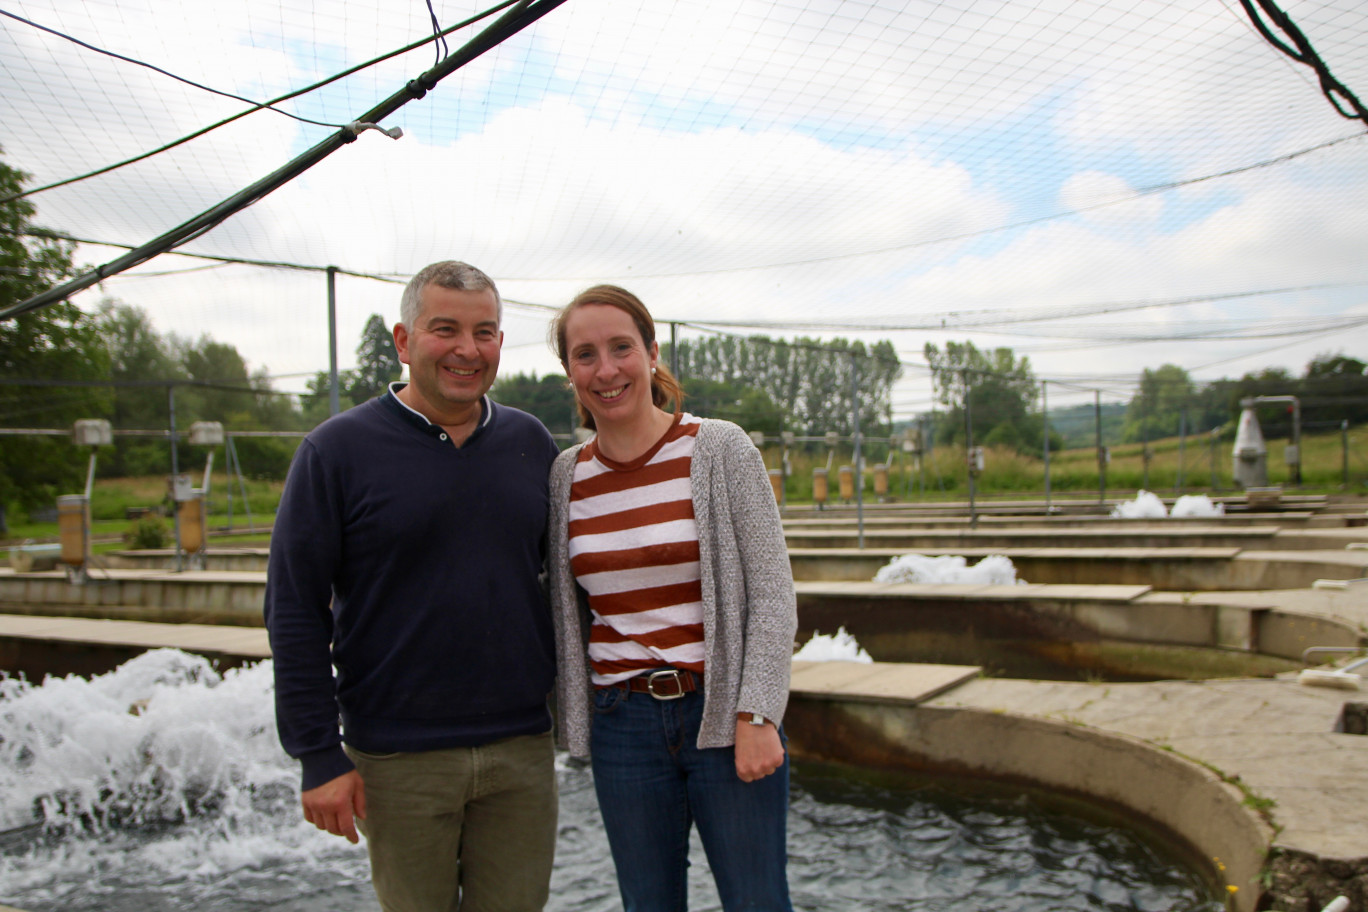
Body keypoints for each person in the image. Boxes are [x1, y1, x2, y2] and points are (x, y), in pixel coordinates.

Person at [263, 260, 561, 912]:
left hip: (521, 749)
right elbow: (294, 609)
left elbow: (567, 581)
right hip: (399, 760)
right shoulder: (336, 451)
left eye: (485, 332)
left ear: (500, 344)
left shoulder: (528, 443)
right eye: (444, 329)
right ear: (404, 341)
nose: (467, 349)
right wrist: (317, 754)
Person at [545, 284, 797, 912]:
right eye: (585, 354)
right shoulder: (565, 477)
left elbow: (772, 593)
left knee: (758, 902)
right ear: (569, 372)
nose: (606, 369)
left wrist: (758, 714)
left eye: (621, 347)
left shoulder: (719, 448)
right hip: (621, 726)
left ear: (652, 352)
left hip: (723, 712)